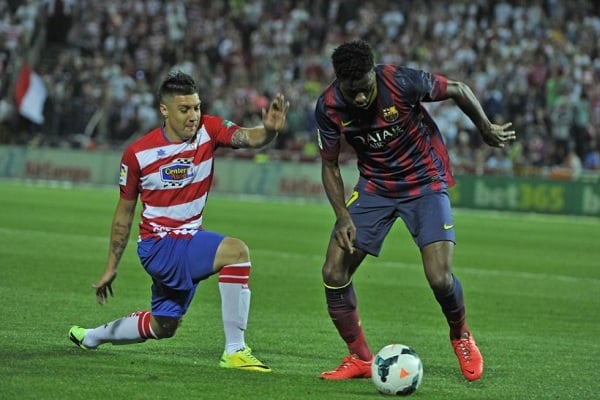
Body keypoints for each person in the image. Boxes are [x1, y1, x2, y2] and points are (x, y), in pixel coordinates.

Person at [314, 40, 516, 382]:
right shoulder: (330, 106)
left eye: (365, 89)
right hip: (375, 186)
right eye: (353, 93)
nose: (360, 99)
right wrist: (342, 216)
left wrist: (484, 127)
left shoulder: (400, 81)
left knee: (439, 277)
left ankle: (461, 335)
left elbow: (458, 89)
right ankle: (360, 357)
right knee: (334, 272)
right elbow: (330, 165)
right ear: (339, 84)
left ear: (373, 74)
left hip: (424, 181)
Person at [68, 70, 289, 372]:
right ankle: (235, 350)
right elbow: (124, 214)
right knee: (237, 253)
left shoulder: (209, 130)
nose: (193, 116)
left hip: (185, 240)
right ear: (164, 110)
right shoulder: (138, 154)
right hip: (159, 245)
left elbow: (249, 137)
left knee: (164, 325)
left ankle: (91, 336)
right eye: (185, 109)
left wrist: (269, 130)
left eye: (196, 107)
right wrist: (111, 266)